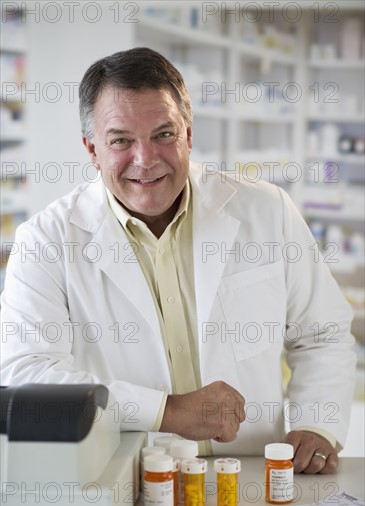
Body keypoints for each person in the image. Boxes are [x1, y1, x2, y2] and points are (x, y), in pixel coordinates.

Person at [1, 47, 356, 474]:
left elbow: (321, 333)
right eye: (120, 141)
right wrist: (165, 412)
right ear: (92, 149)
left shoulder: (267, 210)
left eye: (163, 134)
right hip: (131, 484)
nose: (145, 159)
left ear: (188, 134)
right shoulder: (46, 241)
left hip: (257, 478)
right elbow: (27, 372)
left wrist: (317, 424)